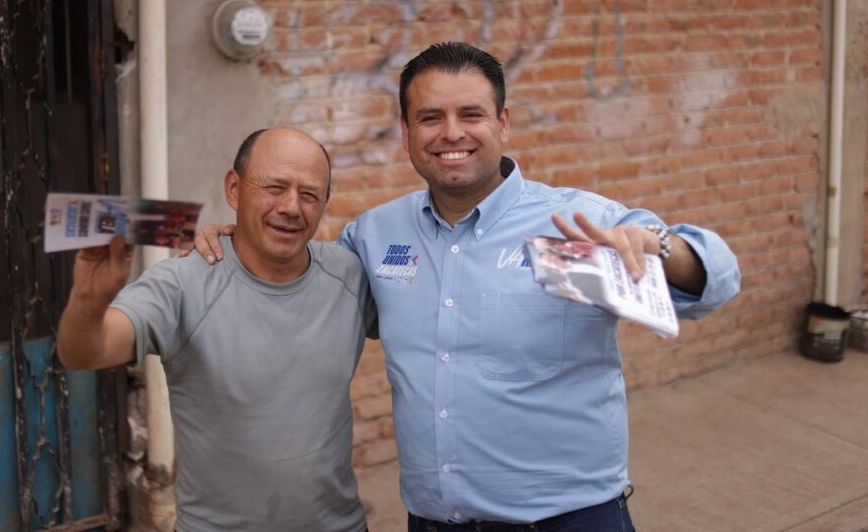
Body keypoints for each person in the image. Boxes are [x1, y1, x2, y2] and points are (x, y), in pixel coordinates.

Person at [195, 42, 741, 531]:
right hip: (433, 523)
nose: (451, 132)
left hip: (567, 523)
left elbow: (718, 278)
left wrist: (663, 248)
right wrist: (246, 234)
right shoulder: (377, 234)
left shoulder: (580, 221)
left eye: (470, 114)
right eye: (430, 117)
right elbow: (303, 279)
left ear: (503, 124)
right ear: (407, 134)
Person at [57, 128, 375, 532]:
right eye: (274, 187)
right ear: (234, 189)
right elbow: (85, 352)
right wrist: (88, 299)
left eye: (310, 195)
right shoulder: (183, 283)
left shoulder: (349, 275)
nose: (292, 207)